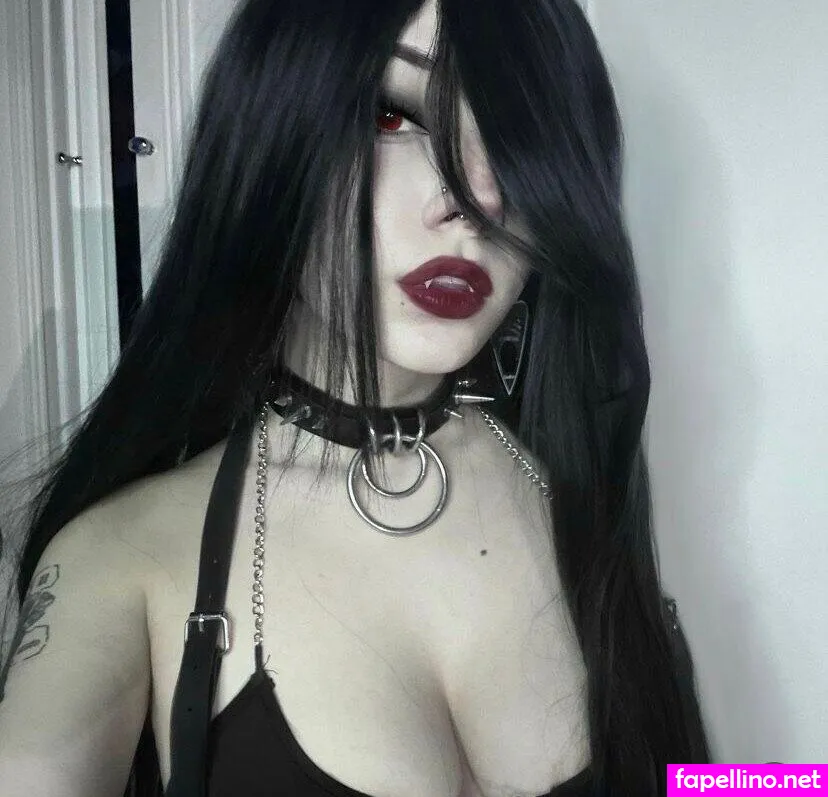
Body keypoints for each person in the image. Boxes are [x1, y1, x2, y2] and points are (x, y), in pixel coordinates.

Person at [0, 0, 710, 794]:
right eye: (391, 115)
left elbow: (701, 782)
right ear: (272, 140)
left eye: (518, 137)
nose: (480, 198)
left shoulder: (577, 484)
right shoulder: (124, 560)